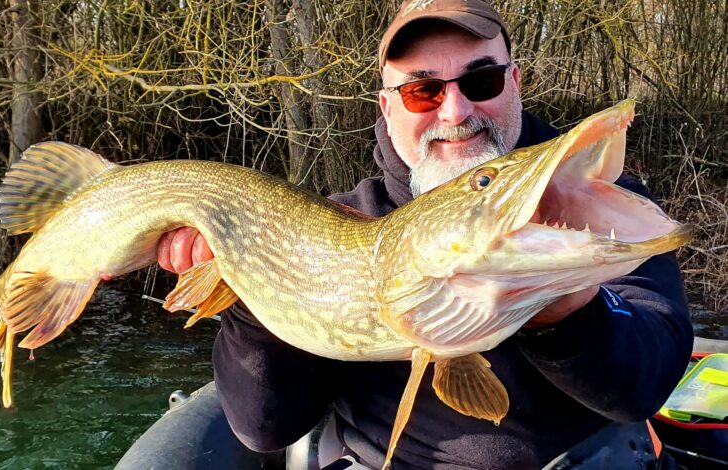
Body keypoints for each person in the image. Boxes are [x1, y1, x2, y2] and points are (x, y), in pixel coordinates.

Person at [156, 1, 693, 468]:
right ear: (387, 108)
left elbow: (648, 381)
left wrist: (568, 310)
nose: (456, 111)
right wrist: (249, 286)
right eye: (421, 91)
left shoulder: (587, 201)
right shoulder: (334, 224)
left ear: (515, 84)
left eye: (481, 81)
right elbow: (265, 427)